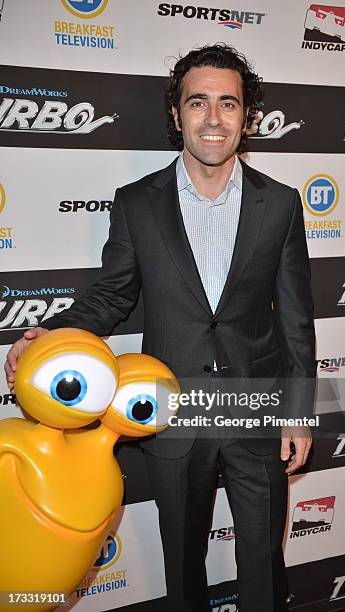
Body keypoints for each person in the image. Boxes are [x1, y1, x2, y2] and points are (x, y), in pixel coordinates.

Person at [4, 44, 316, 612]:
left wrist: (298, 409)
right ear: (177, 114)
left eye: (229, 103)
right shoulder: (136, 203)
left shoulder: (283, 205)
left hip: (257, 409)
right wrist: (49, 335)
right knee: (182, 562)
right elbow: (112, 294)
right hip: (170, 412)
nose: (214, 119)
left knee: (264, 561)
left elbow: (296, 318)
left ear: (247, 115)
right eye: (198, 103)